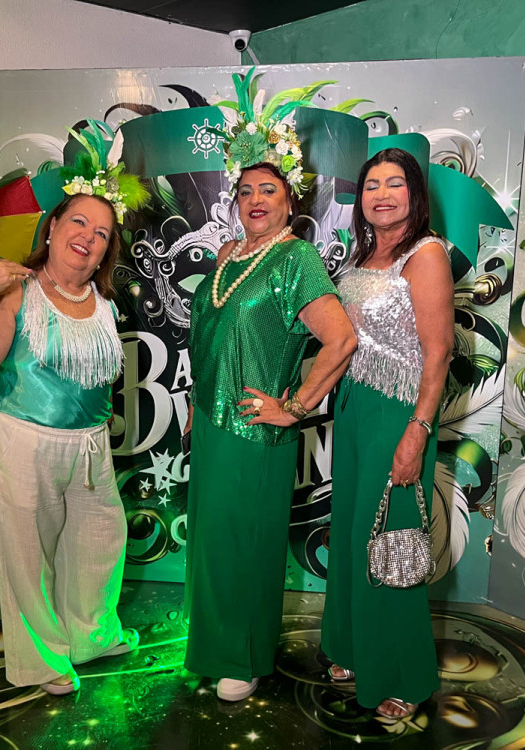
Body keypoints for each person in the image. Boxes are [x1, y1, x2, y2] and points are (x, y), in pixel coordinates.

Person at [0, 135, 148, 696]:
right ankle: (42, 662)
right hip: (22, 439)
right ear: (54, 226)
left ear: (107, 250)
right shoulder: (19, 290)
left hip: (89, 445)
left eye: (102, 233)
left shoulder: (105, 305)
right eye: (79, 223)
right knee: (27, 556)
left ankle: (90, 637)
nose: (88, 237)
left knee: (99, 542)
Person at [184, 94, 358, 702]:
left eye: (269, 191)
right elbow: (211, 338)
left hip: (256, 431)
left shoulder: (296, 257)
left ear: (290, 203)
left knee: (246, 544)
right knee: (213, 542)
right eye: (245, 191)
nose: (255, 200)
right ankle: (213, 647)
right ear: (235, 202)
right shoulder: (228, 254)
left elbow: (341, 339)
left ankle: (245, 655)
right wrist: (195, 406)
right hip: (211, 422)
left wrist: (296, 407)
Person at [321, 147, 454, 719]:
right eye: (371, 184)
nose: (381, 194)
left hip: (399, 413)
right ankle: (353, 647)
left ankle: (403, 674)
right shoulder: (363, 254)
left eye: (394, 183)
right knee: (356, 533)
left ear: (414, 194)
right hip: (355, 407)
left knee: (393, 539)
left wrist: (417, 430)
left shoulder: (426, 255)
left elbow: (439, 352)